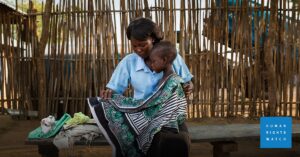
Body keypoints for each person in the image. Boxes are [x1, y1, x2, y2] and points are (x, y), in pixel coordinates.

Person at [100, 17, 193, 157]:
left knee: (175, 143)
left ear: (153, 40)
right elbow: (114, 89)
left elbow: (187, 82)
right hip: (141, 116)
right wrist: (109, 93)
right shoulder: (129, 62)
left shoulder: (171, 56)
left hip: (169, 115)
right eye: (134, 46)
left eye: (142, 45)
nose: (138, 49)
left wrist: (188, 86)